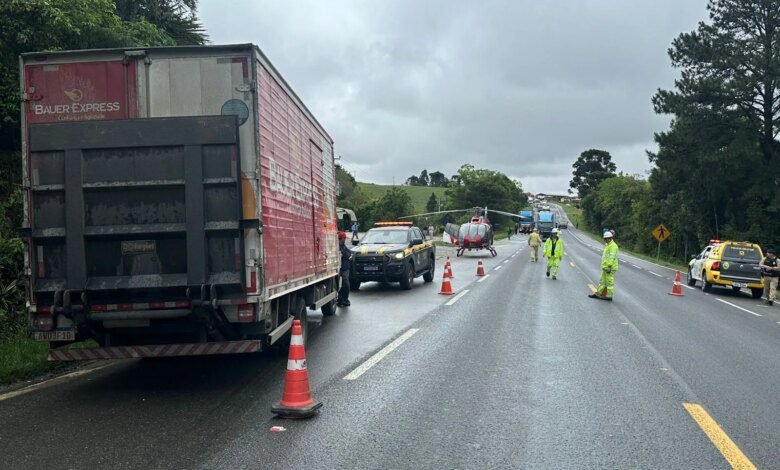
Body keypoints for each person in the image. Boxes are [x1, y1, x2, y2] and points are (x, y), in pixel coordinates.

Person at [589, 231, 619, 301]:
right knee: (602, 281)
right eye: (605, 239)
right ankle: (598, 294)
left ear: (610, 238)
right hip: (605, 267)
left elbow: (611, 257)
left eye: (606, 239)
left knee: (609, 282)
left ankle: (609, 296)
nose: (605, 240)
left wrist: (609, 266)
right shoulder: (608, 245)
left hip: (610, 268)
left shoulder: (613, 246)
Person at [338, 231, 352, 307]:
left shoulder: (343, 246)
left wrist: (345, 255)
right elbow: (345, 254)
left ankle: (345, 300)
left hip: (345, 268)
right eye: (344, 238)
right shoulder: (337, 246)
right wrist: (345, 255)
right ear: (341, 238)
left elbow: (348, 253)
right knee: (341, 285)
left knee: (345, 284)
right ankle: (340, 300)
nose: (345, 239)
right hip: (340, 268)